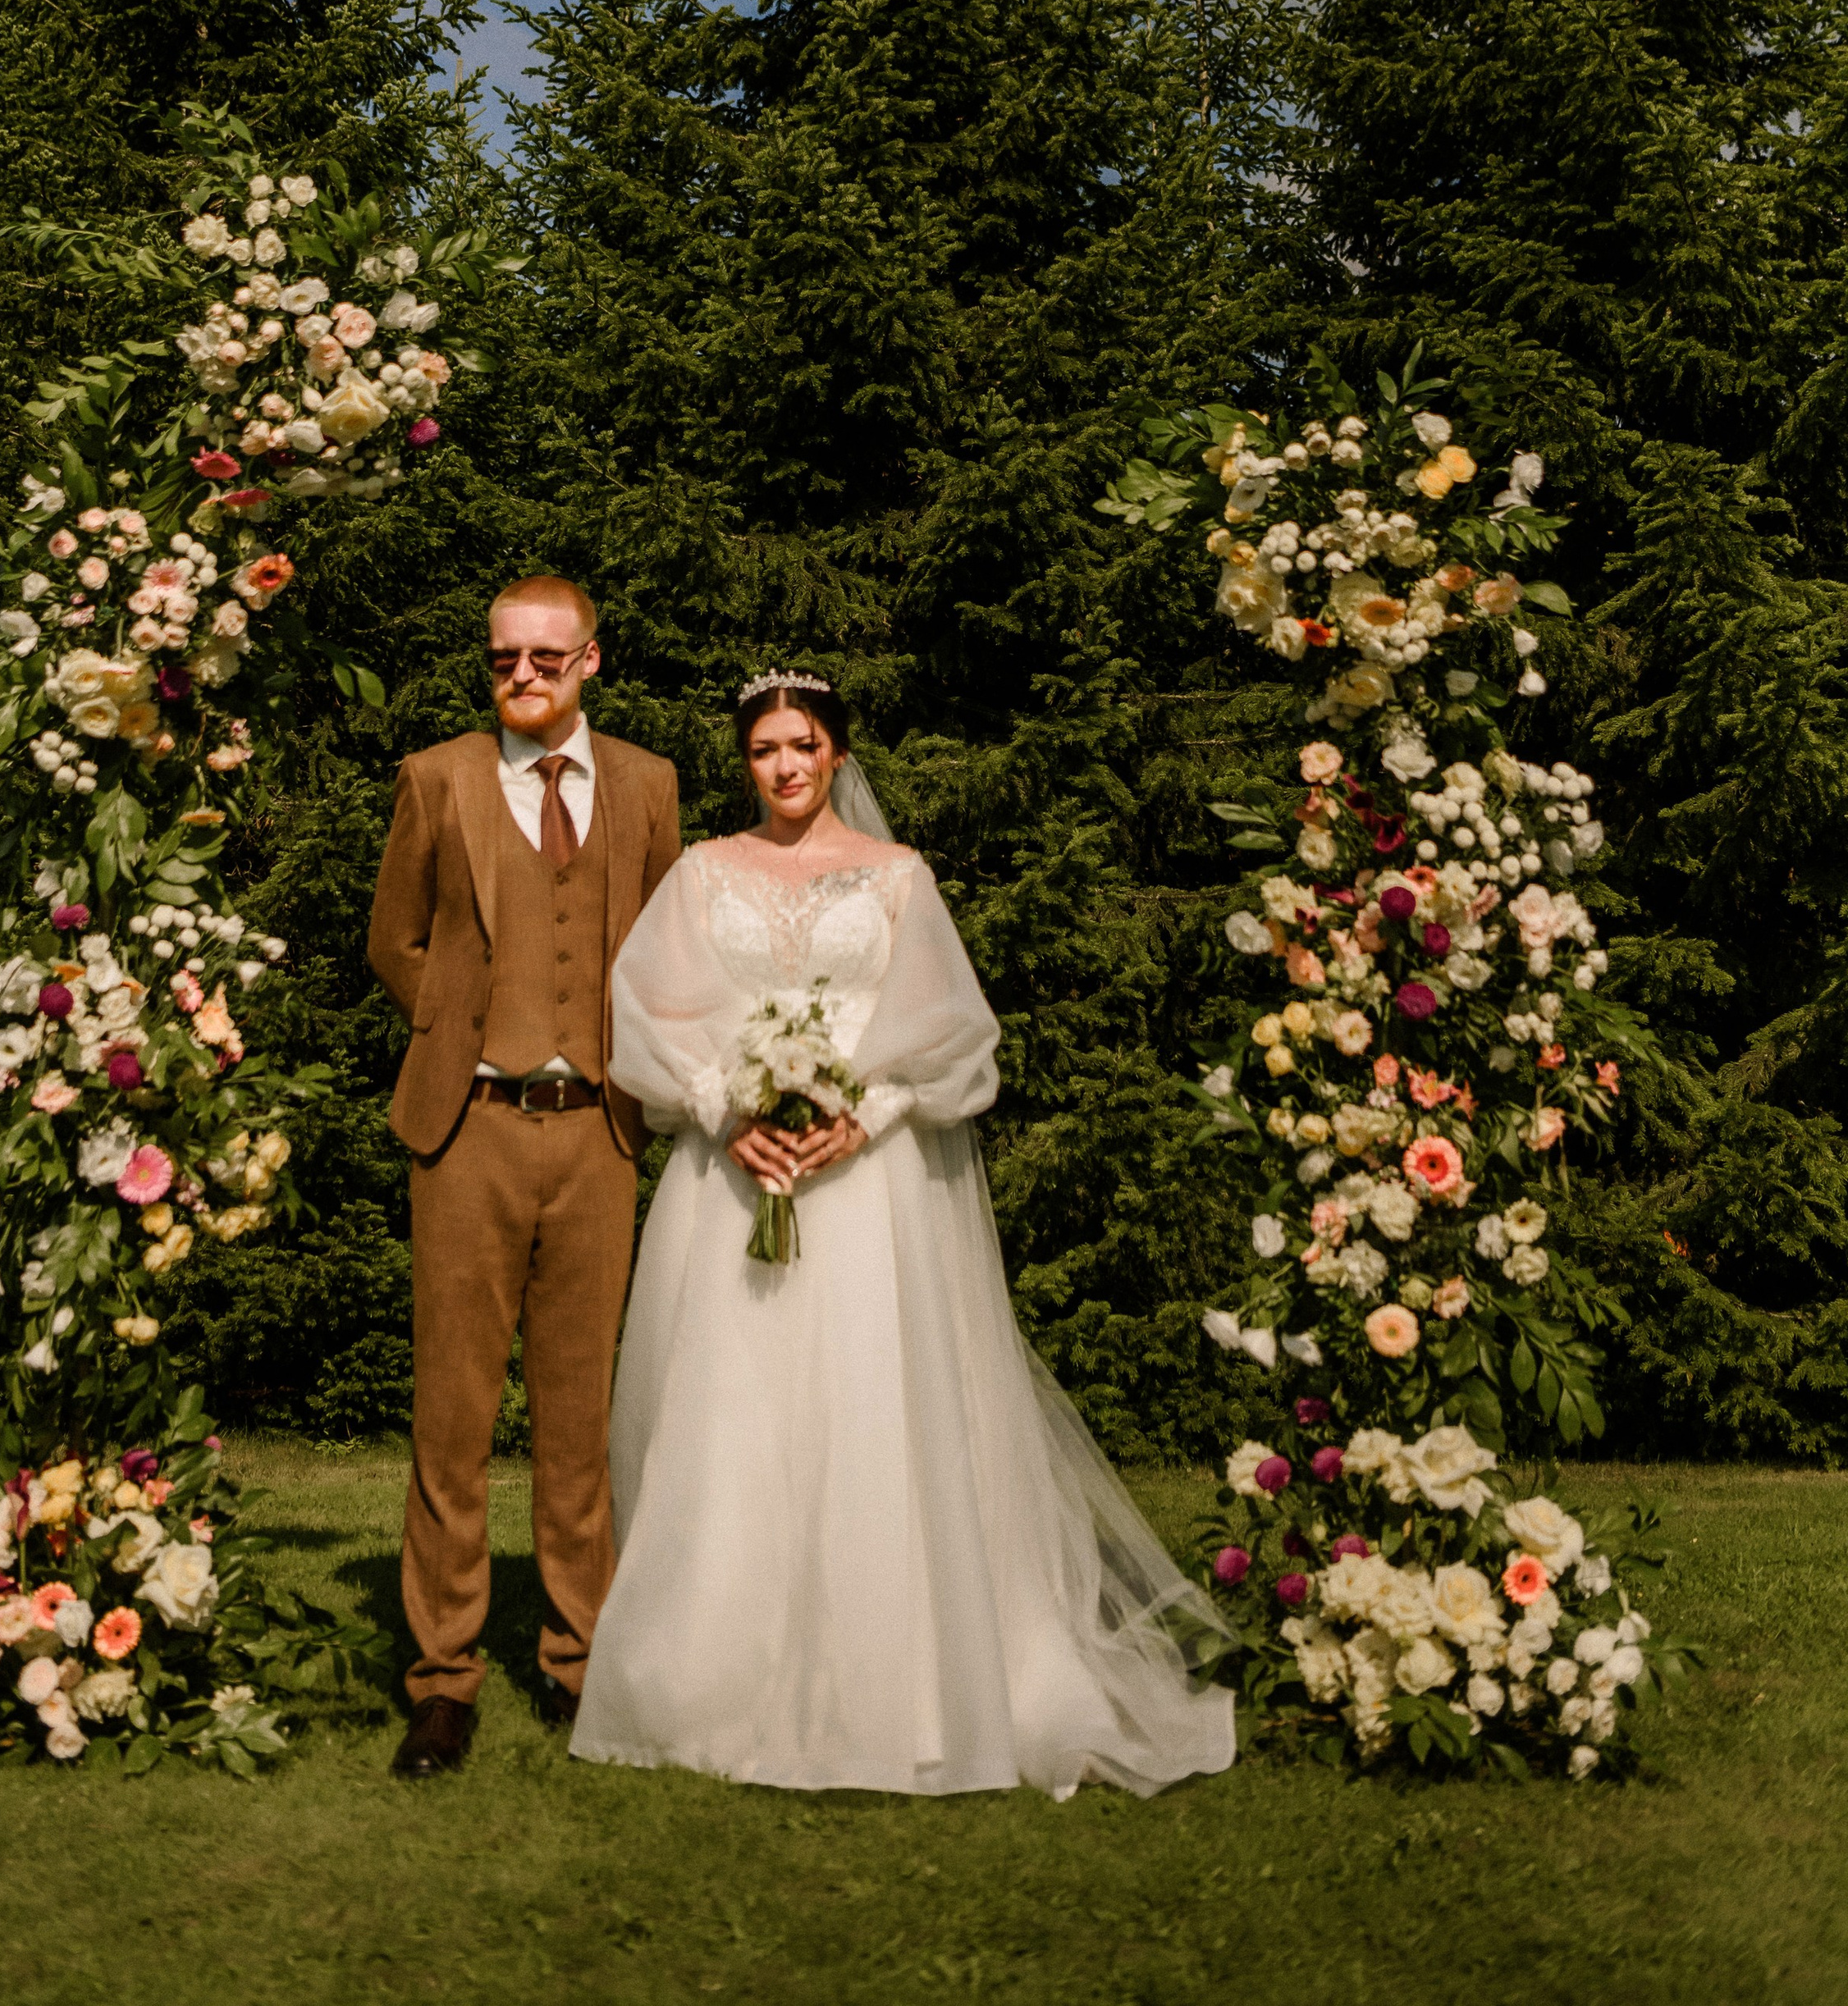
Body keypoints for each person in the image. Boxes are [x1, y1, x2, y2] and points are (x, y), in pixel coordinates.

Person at [570, 669, 1237, 1800]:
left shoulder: (896, 880)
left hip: (866, 1191)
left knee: (868, 1409)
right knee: (733, 1419)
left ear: (838, 754)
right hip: (731, 1180)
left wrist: (857, 1118)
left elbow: (951, 1037)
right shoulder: (701, 873)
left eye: (804, 744)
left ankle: (895, 1684)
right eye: (765, 750)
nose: (784, 766)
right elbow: (646, 1009)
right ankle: (710, 1680)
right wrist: (730, 1111)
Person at [367, 573, 680, 1779]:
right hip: (469, 1130)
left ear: (590, 661)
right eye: (505, 660)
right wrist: (460, 1029)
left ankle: (577, 1660)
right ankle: (442, 1683)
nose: (524, 677)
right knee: (452, 1418)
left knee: (578, 1421)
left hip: (597, 1132)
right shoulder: (436, 778)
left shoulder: (648, 785)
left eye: (548, 659)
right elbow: (392, 938)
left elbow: (666, 945)